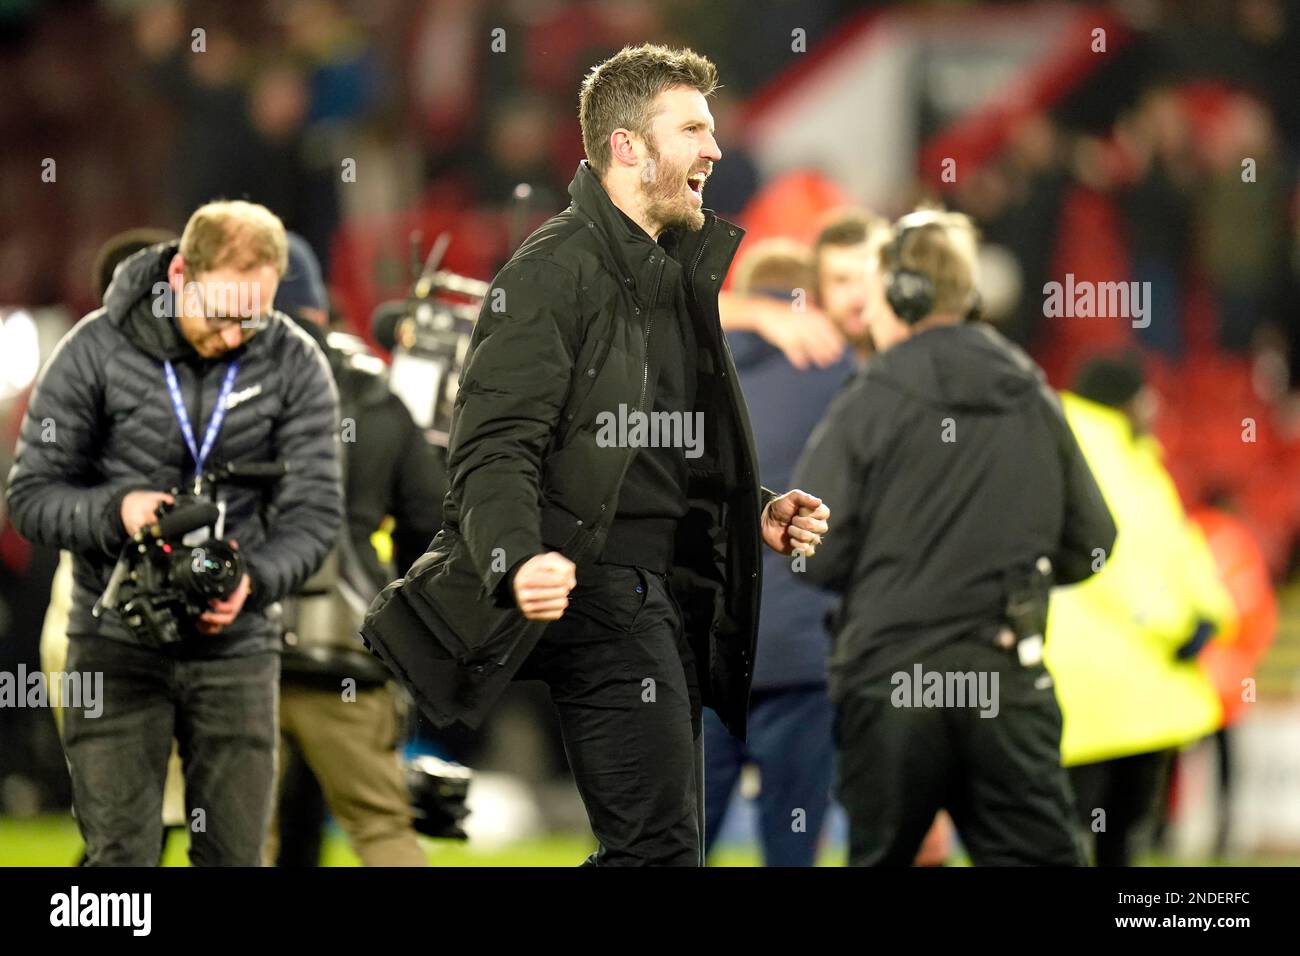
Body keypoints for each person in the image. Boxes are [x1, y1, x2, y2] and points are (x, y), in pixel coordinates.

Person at [363, 43, 830, 866]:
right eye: (692, 129)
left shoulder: (665, 275)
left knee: (655, 848)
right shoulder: (551, 272)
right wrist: (515, 558)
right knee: (658, 849)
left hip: (655, 592)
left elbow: (660, 446)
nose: (715, 150)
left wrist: (753, 506)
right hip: (598, 587)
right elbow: (492, 446)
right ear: (627, 147)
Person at [7, 200, 343, 866]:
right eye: (222, 315)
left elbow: (315, 515)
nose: (236, 337)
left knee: (236, 858)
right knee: (120, 863)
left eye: (256, 316)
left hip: (238, 645)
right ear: (182, 272)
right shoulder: (94, 349)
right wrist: (117, 511)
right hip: (113, 642)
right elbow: (29, 498)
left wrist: (253, 579)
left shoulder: (295, 361)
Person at [793, 208, 1116, 866]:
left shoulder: (870, 397)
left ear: (900, 294)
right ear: (966, 295)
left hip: (890, 687)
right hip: (1005, 680)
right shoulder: (1031, 393)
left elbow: (813, 549)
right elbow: (1094, 541)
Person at [265, 233, 440, 867]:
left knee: (244, 833)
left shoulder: (224, 372)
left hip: (241, 642)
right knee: (382, 828)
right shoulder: (375, 389)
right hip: (349, 642)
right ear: (319, 306)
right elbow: (431, 522)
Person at [1044, 354, 1235, 866]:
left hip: (1131, 687)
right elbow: (1110, 561)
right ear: (1125, 400)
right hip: (1100, 682)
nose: (1154, 407)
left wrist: (1210, 611)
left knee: (1109, 836)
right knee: (1094, 835)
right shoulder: (1095, 455)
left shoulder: (1132, 455)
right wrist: (1179, 624)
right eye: (1146, 397)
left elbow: (1176, 544)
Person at [702, 239, 855, 865]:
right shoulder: (840, 372)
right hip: (800, 648)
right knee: (791, 843)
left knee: (669, 838)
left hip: (703, 648)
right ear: (809, 301)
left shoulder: (690, 364)